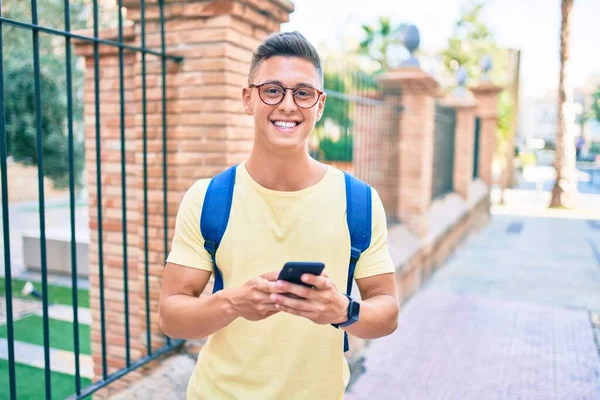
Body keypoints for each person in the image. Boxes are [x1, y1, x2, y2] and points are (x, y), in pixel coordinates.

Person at [158, 31, 399, 400]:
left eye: (302, 93)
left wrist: (342, 310)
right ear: (247, 98)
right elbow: (172, 316)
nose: (288, 105)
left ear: (319, 105)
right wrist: (233, 302)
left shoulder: (359, 201)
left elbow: (388, 311)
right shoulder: (208, 198)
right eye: (272, 90)